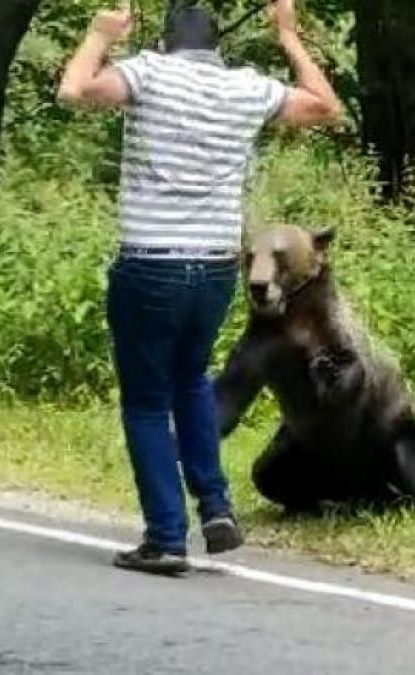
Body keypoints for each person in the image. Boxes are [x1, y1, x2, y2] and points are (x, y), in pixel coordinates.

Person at [57, 0, 342, 575]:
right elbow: (326, 106)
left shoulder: (147, 72)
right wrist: (288, 35)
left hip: (151, 263)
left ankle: (165, 538)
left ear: (164, 43)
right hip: (214, 267)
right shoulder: (244, 88)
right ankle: (214, 507)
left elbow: (74, 91)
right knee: (189, 380)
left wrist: (99, 35)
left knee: (144, 402)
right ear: (218, 47)